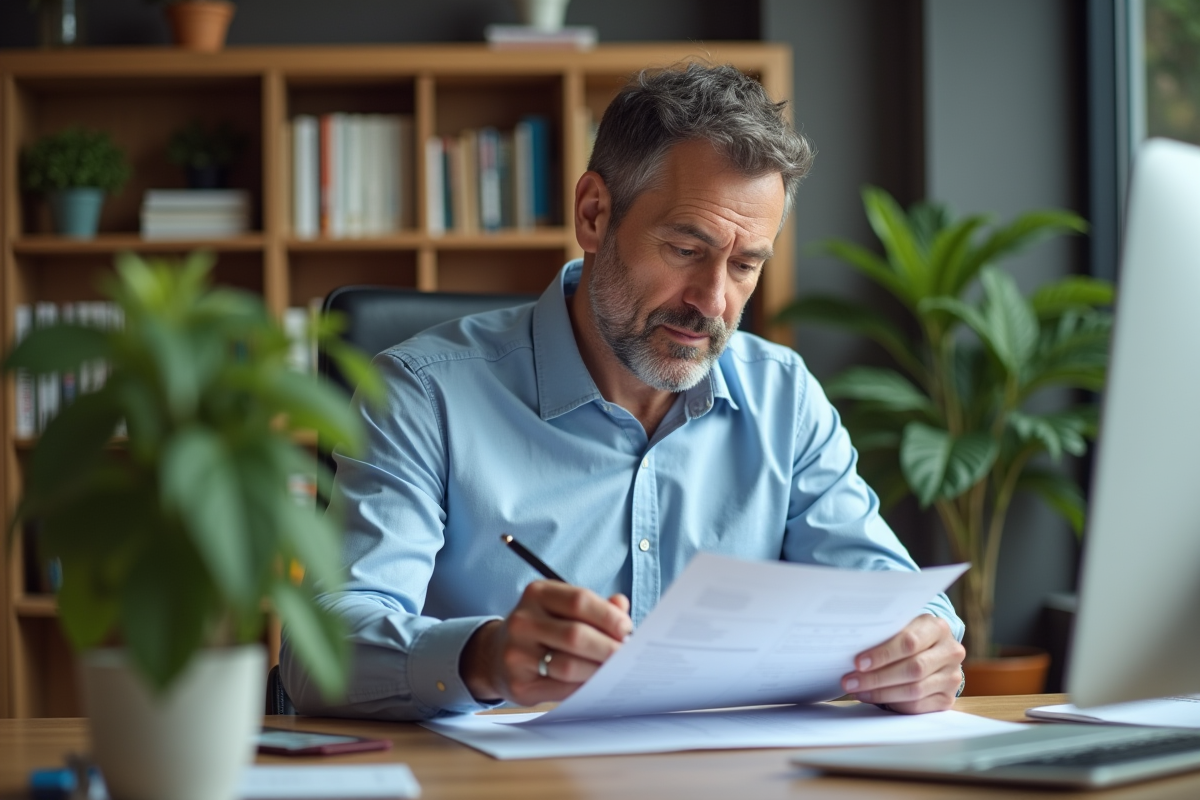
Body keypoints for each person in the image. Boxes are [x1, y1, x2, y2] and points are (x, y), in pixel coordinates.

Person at [280, 62, 966, 721]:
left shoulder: (782, 397)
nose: (713, 301)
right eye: (686, 249)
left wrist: (923, 645)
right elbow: (319, 656)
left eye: (746, 264)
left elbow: (902, 602)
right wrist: (484, 657)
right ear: (594, 214)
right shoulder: (423, 394)